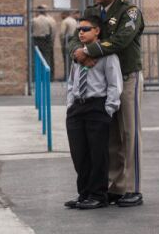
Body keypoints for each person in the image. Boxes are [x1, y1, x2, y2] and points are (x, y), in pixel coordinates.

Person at [68, 0, 145, 208]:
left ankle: (132, 187)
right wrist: (77, 53)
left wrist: (89, 51)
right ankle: (113, 186)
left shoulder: (129, 11)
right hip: (101, 82)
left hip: (126, 77)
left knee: (128, 133)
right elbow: (73, 40)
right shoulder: (93, 12)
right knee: (109, 137)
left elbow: (122, 40)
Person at [65, 15, 123, 210]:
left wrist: (108, 110)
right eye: (79, 29)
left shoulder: (107, 55)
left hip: (97, 107)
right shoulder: (78, 54)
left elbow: (115, 84)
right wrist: (70, 104)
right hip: (77, 107)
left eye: (86, 29)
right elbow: (72, 80)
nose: (80, 32)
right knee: (79, 153)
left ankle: (98, 195)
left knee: (97, 154)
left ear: (97, 31)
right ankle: (84, 193)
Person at [32, 4, 56, 80]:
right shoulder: (49, 20)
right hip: (46, 39)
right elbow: (52, 31)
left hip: (36, 39)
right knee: (47, 58)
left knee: (36, 58)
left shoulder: (34, 20)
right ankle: (47, 77)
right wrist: (51, 41)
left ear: (38, 12)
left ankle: (36, 77)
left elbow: (30, 30)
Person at [60, 11, 78, 79]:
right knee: (72, 59)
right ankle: (73, 75)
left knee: (66, 59)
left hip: (67, 40)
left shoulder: (65, 21)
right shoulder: (74, 20)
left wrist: (62, 42)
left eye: (62, 15)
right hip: (75, 41)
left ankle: (67, 76)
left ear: (64, 14)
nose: (61, 17)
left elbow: (62, 33)